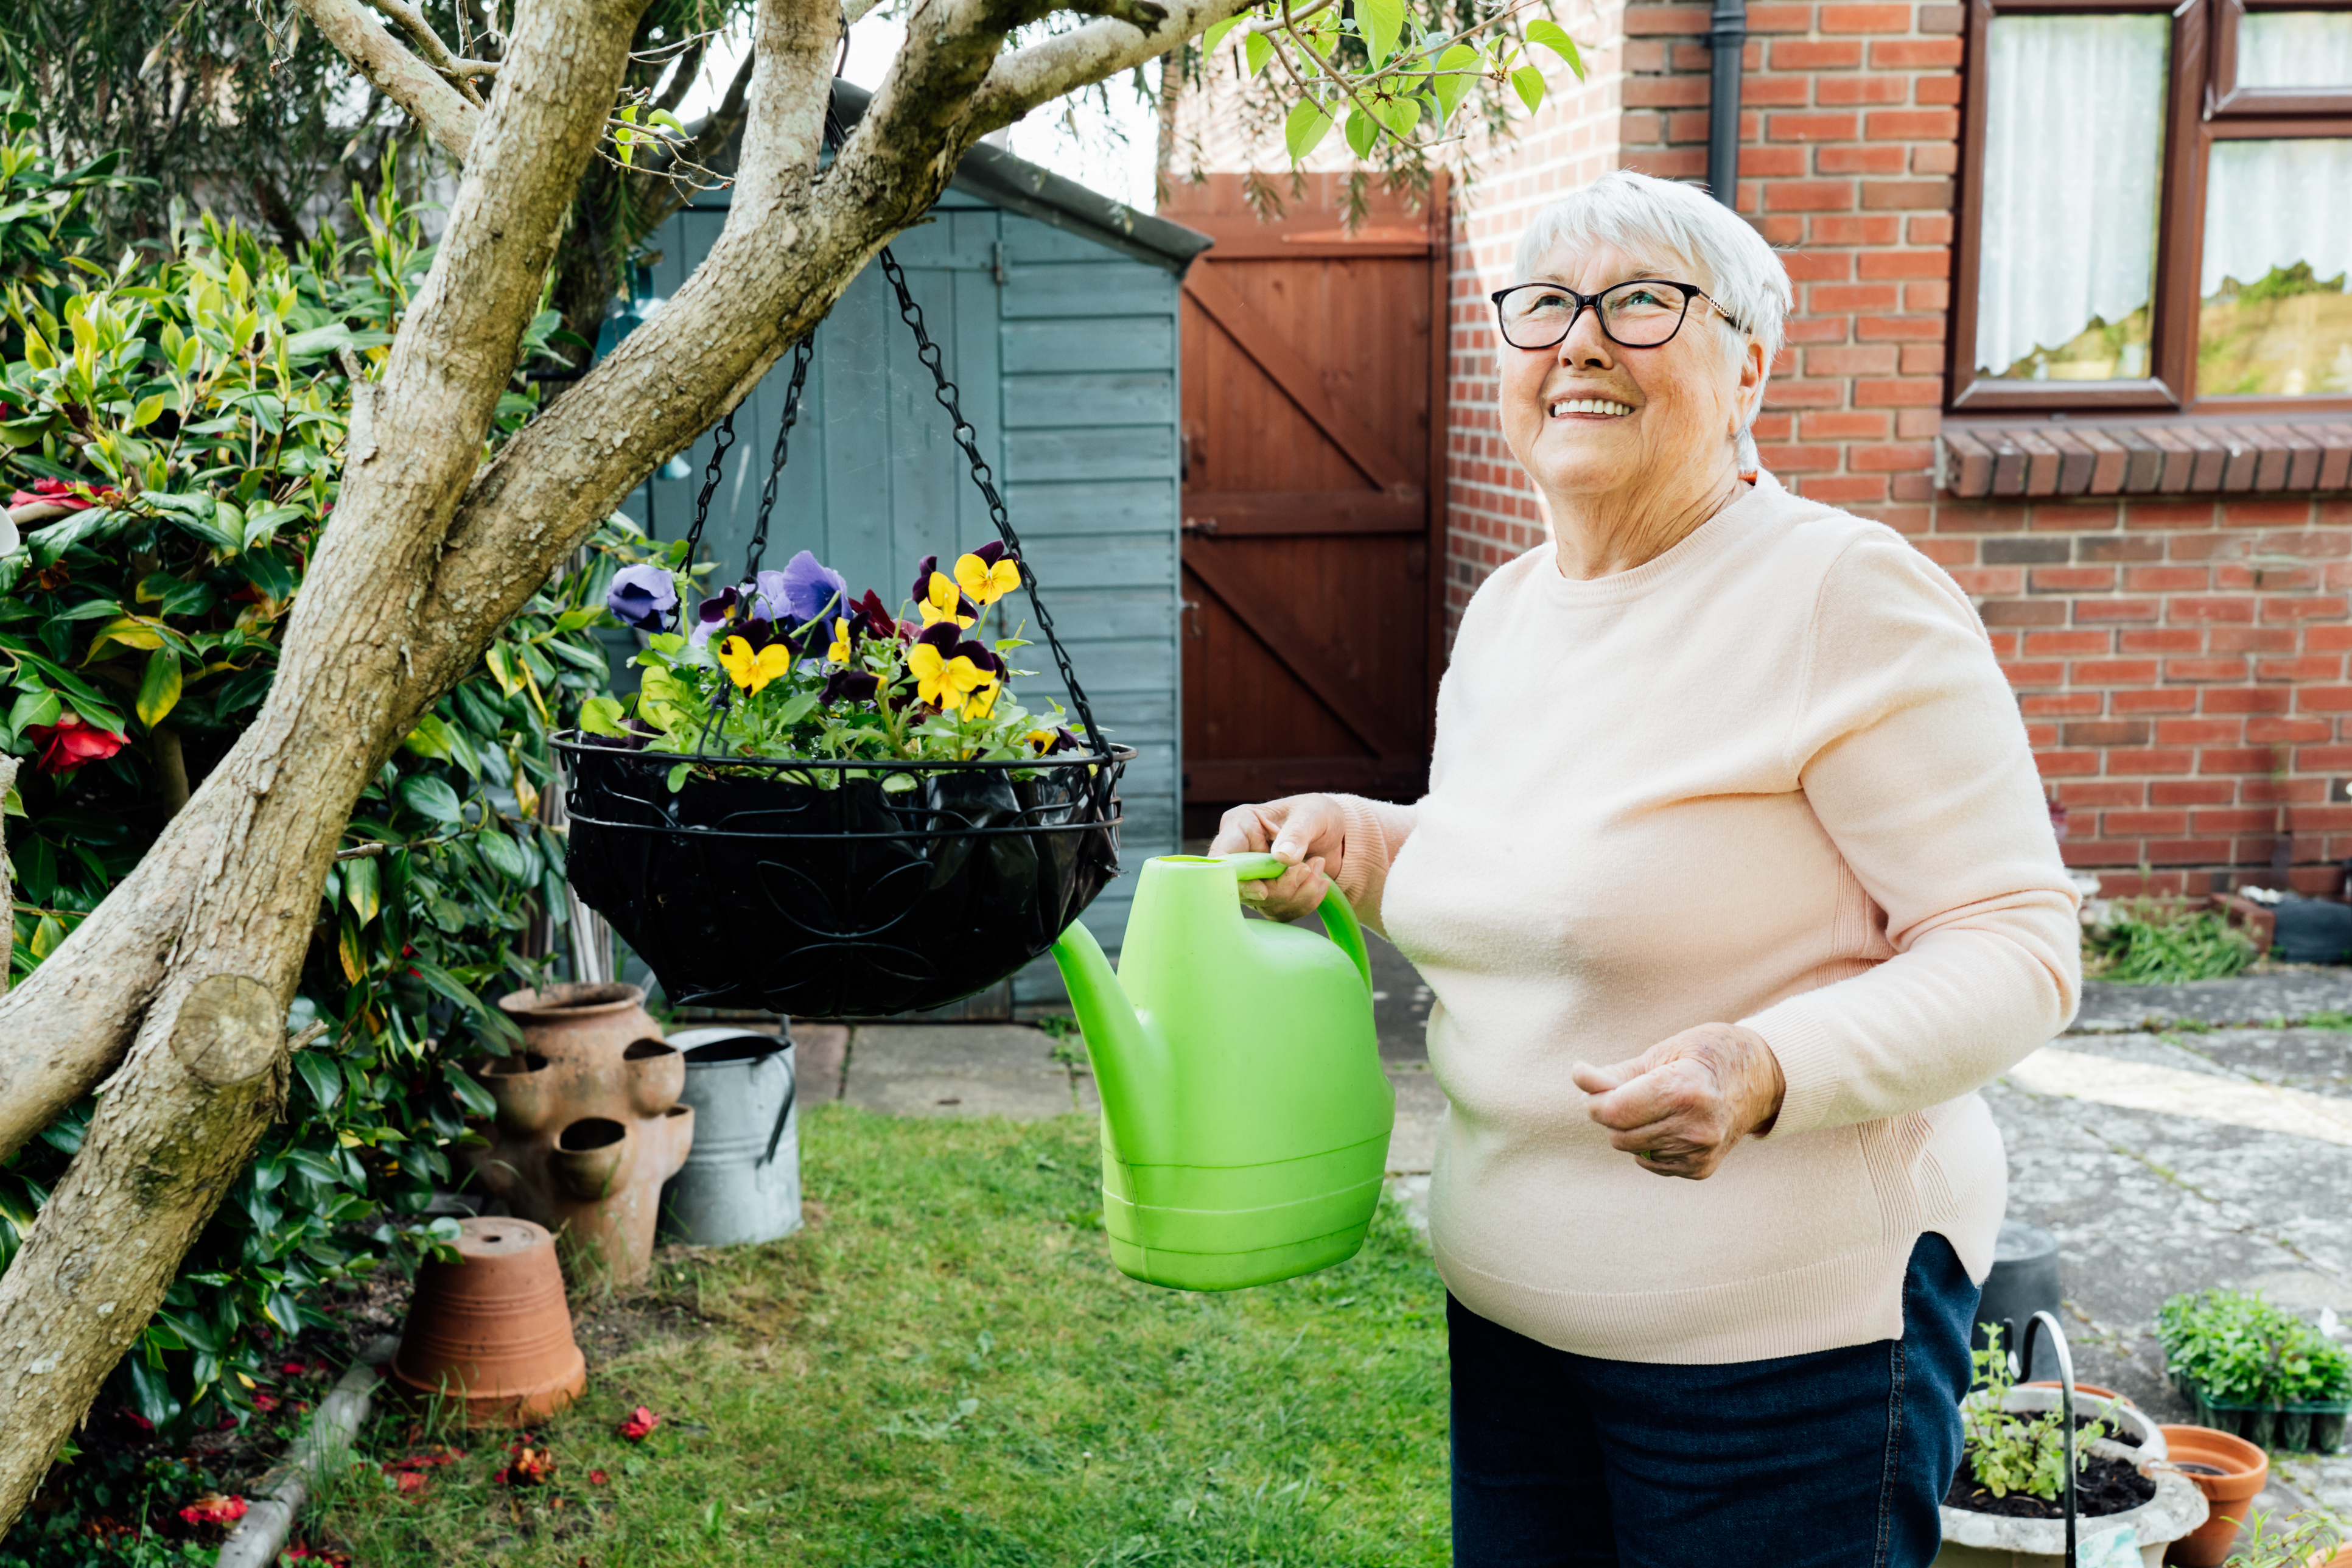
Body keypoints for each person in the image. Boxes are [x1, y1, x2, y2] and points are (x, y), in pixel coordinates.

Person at [1208, 169, 2080, 1566]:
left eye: (1642, 304)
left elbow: (2019, 942)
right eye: (1546, 305)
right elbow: (1537, 860)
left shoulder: (1839, 594)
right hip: (1514, 1329)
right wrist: (1365, 841)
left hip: (1780, 1362)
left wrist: (1767, 1065)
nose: (1582, 341)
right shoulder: (1512, 609)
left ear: (1750, 368)